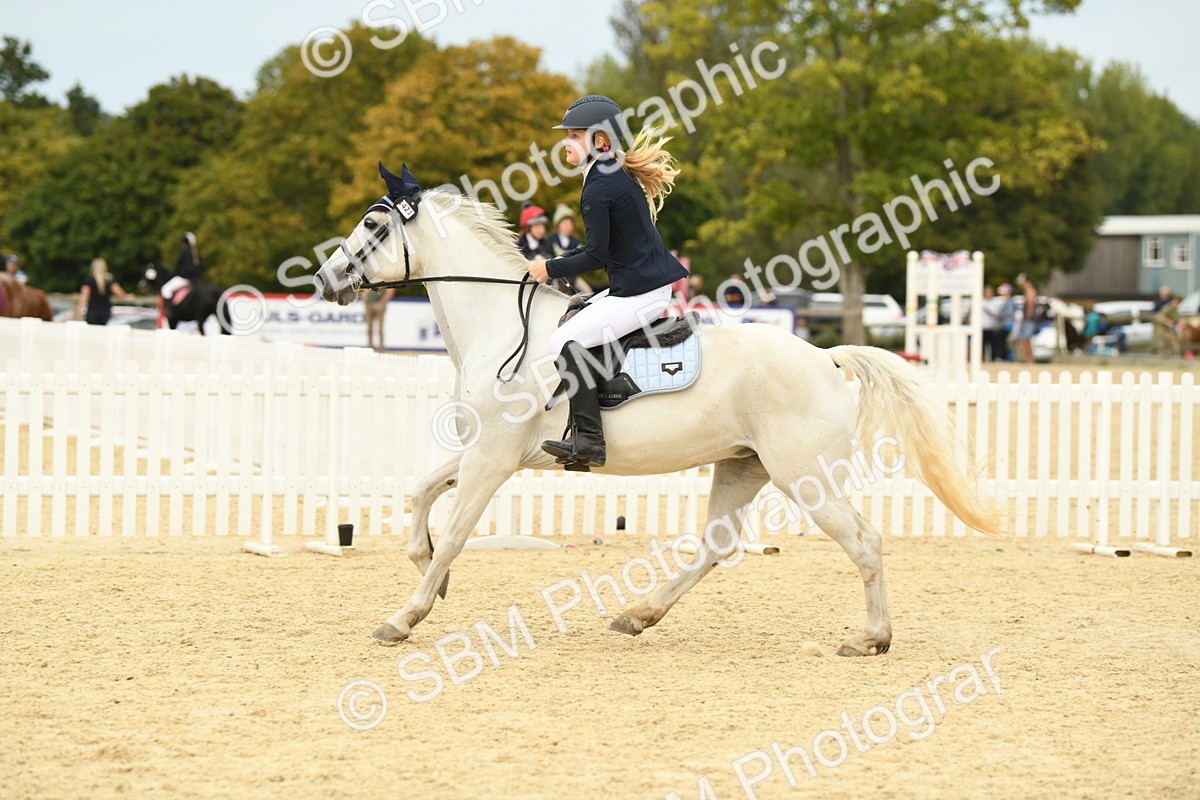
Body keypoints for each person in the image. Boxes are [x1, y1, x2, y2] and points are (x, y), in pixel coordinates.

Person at [527, 95, 688, 469]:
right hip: (637, 284)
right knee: (573, 319)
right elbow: (596, 247)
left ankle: (589, 441)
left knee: (563, 340)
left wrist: (549, 269)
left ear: (600, 141)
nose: (566, 143)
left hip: (642, 292)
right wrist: (554, 263)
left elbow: (596, 256)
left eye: (574, 135)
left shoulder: (600, 185)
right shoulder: (608, 172)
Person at [77, 258, 132, 325]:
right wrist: (126, 297)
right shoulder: (109, 279)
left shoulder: (89, 280)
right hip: (105, 311)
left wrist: (80, 309)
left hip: (93, 310)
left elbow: (84, 296)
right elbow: (118, 291)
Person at [162, 232, 202, 301]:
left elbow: (177, 268)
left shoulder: (184, 253)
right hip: (195, 280)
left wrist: (174, 274)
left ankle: (169, 307)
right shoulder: (196, 254)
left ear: (185, 243)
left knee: (165, 289)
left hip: (184, 279)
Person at [1014, 274, 1039, 364]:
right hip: (1029, 319)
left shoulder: (1030, 292)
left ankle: (1029, 359)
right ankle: (1029, 359)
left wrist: (1027, 317)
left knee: (1024, 339)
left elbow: (1030, 306)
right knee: (1026, 339)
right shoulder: (1029, 291)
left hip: (1029, 319)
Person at [363, 286, 395, 352]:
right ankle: (370, 347)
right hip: (369, 304)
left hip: (379, 304)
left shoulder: (385, 280)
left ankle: (381, 348)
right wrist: (365, 299)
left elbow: (391, 290)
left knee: (380, 329)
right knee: (369, 328)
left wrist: (382, 302)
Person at [980, 285, 1000, 361]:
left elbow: (996, 314)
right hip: (982, 327)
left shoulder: (995, 302)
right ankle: (981, 359)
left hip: (992, 327)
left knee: (993, 345)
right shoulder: (980, 302)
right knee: (982, 345)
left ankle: (993, 359)